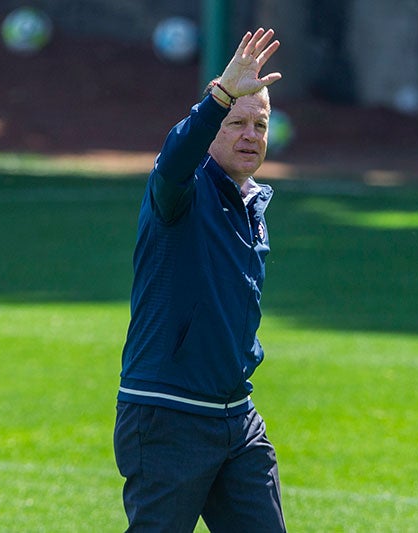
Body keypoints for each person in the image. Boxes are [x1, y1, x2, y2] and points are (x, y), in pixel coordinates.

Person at [113, 28, 286, 532]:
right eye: (235, 123)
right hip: (168, 416)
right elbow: (175, 158)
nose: (250, 135)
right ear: (212, 130)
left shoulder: (252, 203)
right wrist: (217, 99)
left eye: (260, 124)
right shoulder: (179, 195)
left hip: (236, 417)